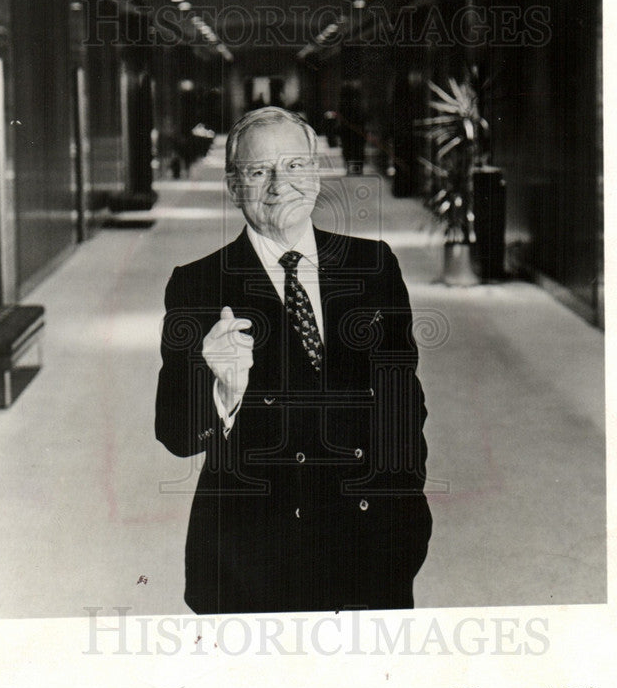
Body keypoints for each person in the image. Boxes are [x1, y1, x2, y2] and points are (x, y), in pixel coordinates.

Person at [155, 107, 431, 614]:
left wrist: (407, 514)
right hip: (250, 560)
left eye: (296, 166)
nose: (281, 185)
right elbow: (175, 434)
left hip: (368, 548)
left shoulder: (374, 266)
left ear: (317, 171)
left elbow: (404, 404)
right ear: (235, 186)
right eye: (259, 172)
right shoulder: (197, 285)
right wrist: (221, 391)